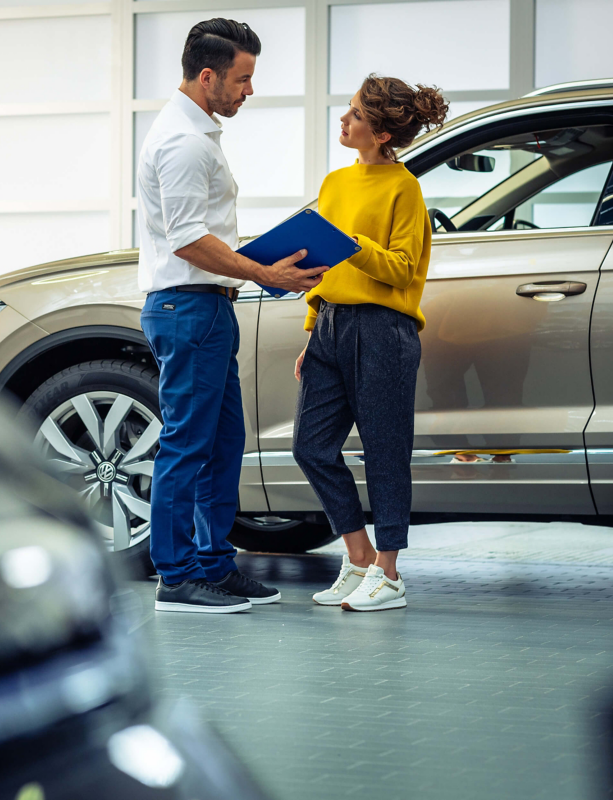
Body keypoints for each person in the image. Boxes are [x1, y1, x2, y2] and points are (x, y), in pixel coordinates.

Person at [137, 19, 328, 614]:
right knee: (187, 443)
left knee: (223, 442)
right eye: (243, 79)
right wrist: (268, 274)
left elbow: (200, 236)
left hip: (208, 308)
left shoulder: (199, 133)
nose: (249, 90)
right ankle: (176, 575)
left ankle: (214, 565)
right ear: (207, 75)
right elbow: (188, 240)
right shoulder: (184, 142)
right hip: (188, 306)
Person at [292, 75, 449, 611]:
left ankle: (390, 573)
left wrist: (354, 247)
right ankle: (357, 554)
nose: (345, 119)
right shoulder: (335, 183)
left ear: (381, 133)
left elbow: (403, 270)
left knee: (384, 452)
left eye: (356, 114)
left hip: (384, 330)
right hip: (331, 325)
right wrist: (313, 328)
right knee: (310, 446)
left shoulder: (405, 189)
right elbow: (320, 265)